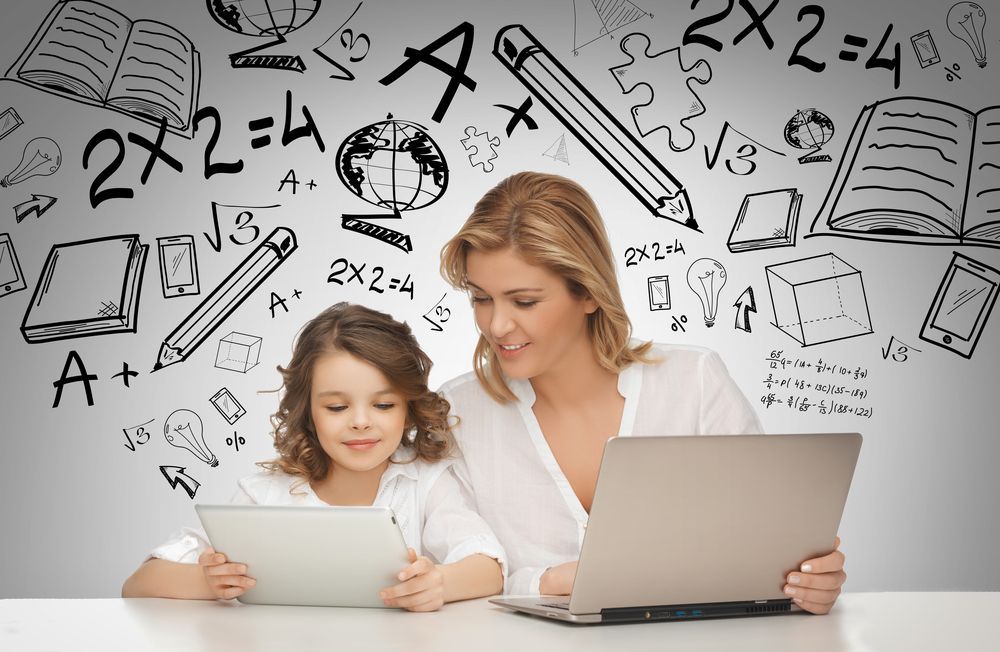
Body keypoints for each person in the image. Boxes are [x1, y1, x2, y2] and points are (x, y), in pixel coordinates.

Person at [438, 171, 846, 614]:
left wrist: (807, 582)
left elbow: (767, 546)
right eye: (481, 298)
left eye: (525, 302)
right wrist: (550, 581)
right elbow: (456, 573)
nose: (496, 325)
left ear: (589, 293)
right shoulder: (458, 413)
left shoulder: (695, 381)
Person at [122, 303, 505, 611]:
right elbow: (138, 584)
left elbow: (489, 568)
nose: (360, 422)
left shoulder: (427, 484)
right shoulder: (265, 496)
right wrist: (207, 583)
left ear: (408, 407)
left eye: (383, 404)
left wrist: (439, 585)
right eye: (337, 407)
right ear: (308, 411)